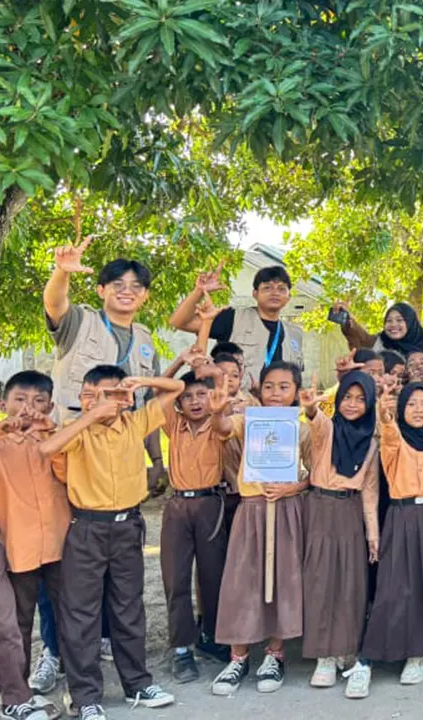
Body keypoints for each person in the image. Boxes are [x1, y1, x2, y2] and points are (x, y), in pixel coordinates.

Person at [38, 366, 183, 718]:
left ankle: (137, 683)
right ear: (85, 397)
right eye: (97, 394)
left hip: (127, 527)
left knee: (128, 607)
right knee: (81, 613)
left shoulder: (135, 423)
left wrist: (142, 382)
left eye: (115, 394)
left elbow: (177, 387)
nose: (106, 401)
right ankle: (85, 696)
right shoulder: (78, 431)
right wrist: (90, 415)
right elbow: (46, 449)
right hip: (87, 528)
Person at [210, 362, 312, 697]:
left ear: (296, 391)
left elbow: (315, 472)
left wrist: (292, 488)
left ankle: (274, 654)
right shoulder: (249, 420)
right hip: (251, 508)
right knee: (241, 582)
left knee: (282, 580)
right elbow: (223, 428)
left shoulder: (304, 428)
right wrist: (218, 411)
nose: (275, 393)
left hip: (286, 508)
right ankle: (238, 657)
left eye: (284, 387)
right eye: (269, 386)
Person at [0, 372, 62, 720]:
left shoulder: (48, 438)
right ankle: (17, 694)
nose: (28, 408)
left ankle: (26, 697)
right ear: (2, 404)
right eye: (20, 400)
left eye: (37, 401)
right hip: (4, 550)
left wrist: (49, 432)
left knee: (19, 629)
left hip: (25, 547)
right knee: (11, 627)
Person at [42, 240, 166, 492]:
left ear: (145, 295)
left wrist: (156, 460)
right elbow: (54, 303)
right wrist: (62, 271)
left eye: (136, 286)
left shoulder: (145, 340)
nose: (127, 291)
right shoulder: (80, 321)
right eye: (117, 285)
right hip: (75, 449)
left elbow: (147, 404)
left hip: (122, 454)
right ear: (101, 290)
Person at [358, 383, 423, 687]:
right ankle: (375, 654)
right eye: (411, 404)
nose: (418, 410)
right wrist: (386, 416)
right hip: (401, 516)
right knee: (395, 586)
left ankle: (419, 654)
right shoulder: (395, 441)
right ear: (402, 408)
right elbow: (388, 432)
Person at [300, 372, 381, 698]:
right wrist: (310, 408)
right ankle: (324, 656)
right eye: (347, 397)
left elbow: (370, 491)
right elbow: (316, 422)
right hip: (320, 508)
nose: (352, 404)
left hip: (350, 512)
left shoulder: (371, 442)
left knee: (349, 583)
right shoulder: (328, 430)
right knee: (320, 581)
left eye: (361, 399)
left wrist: (372, 535)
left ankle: (346, 649)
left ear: (370, 404)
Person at [158, 366, 236, 683]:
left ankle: (213, 637)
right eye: (187, 396)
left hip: (209, 504)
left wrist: (214, 378)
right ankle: (181, 649)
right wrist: (181, 361)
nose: (195, 401)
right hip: (177, 506)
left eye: (201, 394)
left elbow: (223, 421)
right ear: (178, 403)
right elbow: (160, 390)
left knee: (212, 575)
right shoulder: (173, 425)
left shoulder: (218, 423)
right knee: (175, 579)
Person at [170, 266, 305, 390]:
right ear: (255, 294)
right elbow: (179, 322)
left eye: (281, 289)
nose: (275, 293)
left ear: (288, 297)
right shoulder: (233, 318)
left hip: (281, 406)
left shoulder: (295, 333)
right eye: (267, 288)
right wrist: (199, 291)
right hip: (235, 403)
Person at [336, 301, 423, 356]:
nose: (393, 324)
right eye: (389, 320)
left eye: (399, 320)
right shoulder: (376, 342)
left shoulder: (419, 351)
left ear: (410, 323)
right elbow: (357, 334)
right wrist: (345, 317)